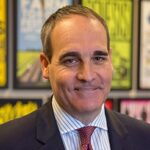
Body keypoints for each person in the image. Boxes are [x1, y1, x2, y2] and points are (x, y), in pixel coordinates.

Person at [0, 5, 150, 150]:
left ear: (110, 60)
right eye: (71, 60)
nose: (87, 75)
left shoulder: (144, 138)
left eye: (98, 58)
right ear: (45, 65)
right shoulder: (7, 142)